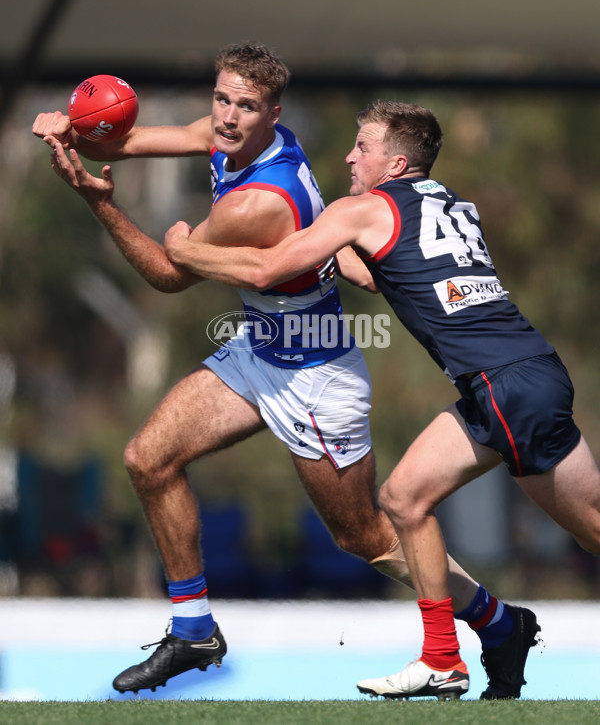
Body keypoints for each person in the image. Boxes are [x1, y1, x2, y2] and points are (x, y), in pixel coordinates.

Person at [36, 55, 537, 700]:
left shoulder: (257, 202)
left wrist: (96, 201)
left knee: (364, 537)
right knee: (148, 458)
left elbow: (166, 273)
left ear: (273, 115)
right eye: (221, 100)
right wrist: (73, 129)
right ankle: (192, 629)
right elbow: (134, 138)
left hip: (315, 372)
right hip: (260, 349)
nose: (226, 118)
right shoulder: (234, 136)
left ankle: (500, 624)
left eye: (245, 108)